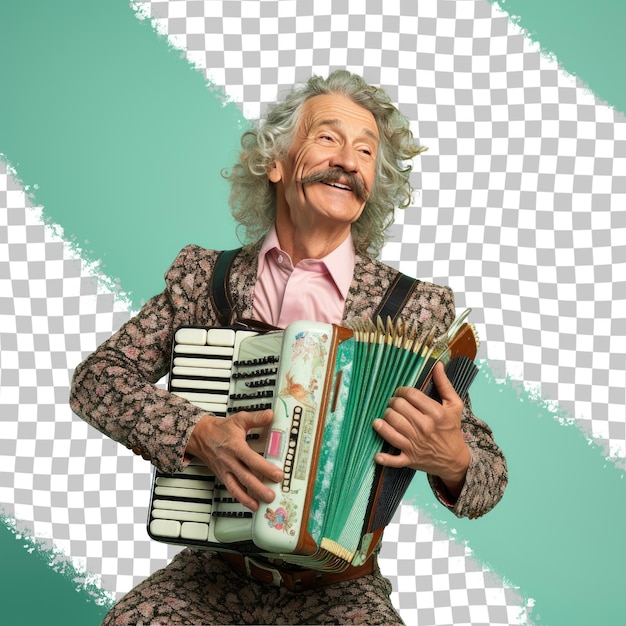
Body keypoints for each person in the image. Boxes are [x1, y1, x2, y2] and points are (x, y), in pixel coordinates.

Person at [70, 70, 507, 625]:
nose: (349, 160)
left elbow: (487, 474)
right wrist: (197, 432)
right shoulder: (207, 279)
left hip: (338, 588)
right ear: (275, 162)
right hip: (213, 575)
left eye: (366, 151)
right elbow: (98, 378)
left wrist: (455, 459)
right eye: (328, 138)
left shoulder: (413, 311)